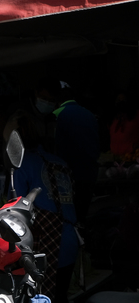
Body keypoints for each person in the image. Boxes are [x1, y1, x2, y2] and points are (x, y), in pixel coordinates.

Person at [5, 111, 78, 303]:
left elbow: (15, 212)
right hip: (71, 239)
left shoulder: (22, 165)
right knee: (60, 300)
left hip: (47, 241)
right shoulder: (59, 162)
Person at [52, 83, 99, 222]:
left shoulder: (57, 114)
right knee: (82, 214)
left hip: (67, 175)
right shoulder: (89, 114)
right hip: (89, 173)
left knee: (68, 217)